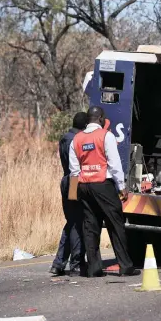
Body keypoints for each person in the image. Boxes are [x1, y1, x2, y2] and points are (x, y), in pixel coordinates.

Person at [69, 106, 140, 277]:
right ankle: (125, 266)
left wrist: (73, 194)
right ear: (100, 119)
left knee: (90, 226)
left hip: (84, 187)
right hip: (103, 184)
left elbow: (74, 170)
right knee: (115, 224)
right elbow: (114, 164)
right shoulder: (105, 136)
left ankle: (94, 268)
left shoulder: (76, 139)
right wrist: (122, 187)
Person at [50, 112, 88, 277]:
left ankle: (58, 263)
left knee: (71, 221)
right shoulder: (76, 140)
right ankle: (76, 264)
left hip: (66, 180)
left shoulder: (65, 137)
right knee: (77, 223)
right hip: (74, 181)